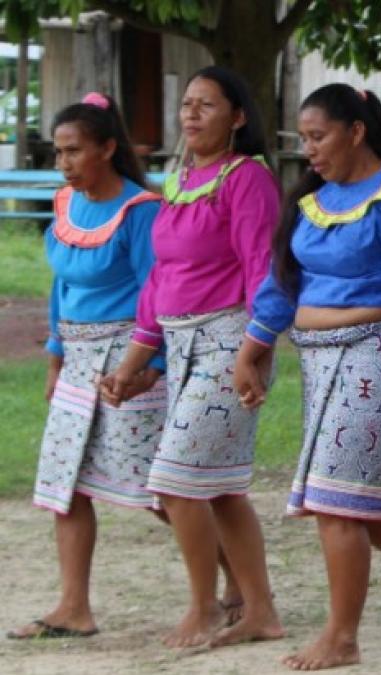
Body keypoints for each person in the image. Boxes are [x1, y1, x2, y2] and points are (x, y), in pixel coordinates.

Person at [231, 83, 381, 671]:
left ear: (356, 131)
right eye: (304, 139)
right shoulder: (311, 200)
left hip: (376, 358)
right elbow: (281, 280)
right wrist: (253, 346)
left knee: (339, 505)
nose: (309, 150)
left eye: (318, 137)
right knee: (367, 508)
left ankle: (342, 636)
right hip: (317, 364)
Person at [100, 65, 283, 649]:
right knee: (221, 489)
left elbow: (263, 270)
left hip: (232, 341)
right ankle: (260, 612)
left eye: (207, 105)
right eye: (186, 104)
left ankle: (203, 608)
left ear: (238, 117)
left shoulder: (247, 178)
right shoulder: (178, 183)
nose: (191, 114)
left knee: (176, 483)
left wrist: (254, 351)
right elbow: (158, 287)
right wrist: (133, 365)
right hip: (181, 347)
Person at [6, 93, 166, 640]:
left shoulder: (140, 210)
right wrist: (54, 357)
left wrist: (150, 365)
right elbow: (62, 287)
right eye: (58, 153)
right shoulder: (64, 205)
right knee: (65, 484)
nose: (64, 162)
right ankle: (73, 607)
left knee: (159, 490)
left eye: (74, 151)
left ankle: (238, 585)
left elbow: (156, 291)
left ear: (107, 148)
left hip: (128, 356)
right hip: (76, 357)